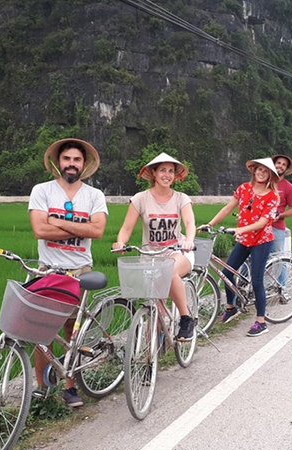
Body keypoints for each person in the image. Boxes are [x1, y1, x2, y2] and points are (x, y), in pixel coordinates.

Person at [27, 138, 108, 407]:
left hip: (80, 270)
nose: (71, 164)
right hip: (48, 270)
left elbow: (97, 231)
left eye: (76, 160)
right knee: (42, 332)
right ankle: (42, 387)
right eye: (67, 159)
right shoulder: (42, 190)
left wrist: (56, 220)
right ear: (58, 163)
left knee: (72, 331)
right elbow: (40, 230)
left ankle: (70, 386)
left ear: (84, 165)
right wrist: (78, 226)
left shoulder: (94, 196)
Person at [112, 152, 196, 341]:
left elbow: (190, 223)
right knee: (156, 305)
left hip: (178, 252)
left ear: (175, 175)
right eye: (163, 170)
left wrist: (188, 240)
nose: (167, 175)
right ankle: (152, 351)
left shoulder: (181, 198)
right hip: (150, 257)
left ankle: (185, 319)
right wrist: (120, 242)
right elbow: (126, 228)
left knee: (170, 271)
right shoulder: (140, 199)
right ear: (154, 173)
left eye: (171, 171)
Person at [198, 158, 279, 337]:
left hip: (261, 240)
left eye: (265, 171)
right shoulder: (244, 188)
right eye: (259, 170)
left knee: (257, 280)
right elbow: (228, 208)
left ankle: (261, 322)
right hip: (244, 239)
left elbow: (262, 223)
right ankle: (231, 307)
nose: (261, 173)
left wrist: (239, 229)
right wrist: (210, 223)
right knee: (227, 272)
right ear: (254, 171)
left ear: (270, 176)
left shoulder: (272, 196)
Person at [270, 154, 292, 289]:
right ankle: (245, 286)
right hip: (258, 227)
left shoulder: (288, 187)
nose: (280, 166)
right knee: (251, 257)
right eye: (278, 163)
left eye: (283, 165)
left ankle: (283, 289)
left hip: (276, 227)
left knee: (279, 258)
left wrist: (279, 215)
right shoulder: (264, 181)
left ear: (286, 169)